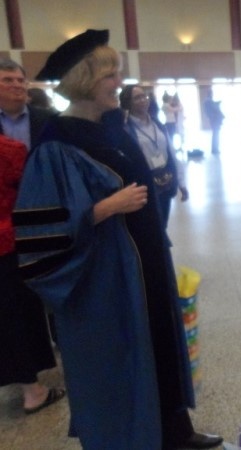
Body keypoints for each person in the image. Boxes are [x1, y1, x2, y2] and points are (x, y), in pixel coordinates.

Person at [13, 29, 221, 449]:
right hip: (104, 279)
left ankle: (175, 432)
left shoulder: (113, 128)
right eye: (111, 75)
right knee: (120, 361)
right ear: (86, 80)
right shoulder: (58, 142)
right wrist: (104, 208)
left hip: (146, 263)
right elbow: (39, 233)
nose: (119, 83)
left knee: (160, 345)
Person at [0, 58, 64, 415]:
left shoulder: (47, 120)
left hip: (46, 219)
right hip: (6, 232)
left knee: (55, 289)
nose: (17, 85)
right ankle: (27, 370)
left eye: (20, 80)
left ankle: (65, 345)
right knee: (15, 304)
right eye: (7, 80)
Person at [120, 84, 188, 229]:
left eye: (144, 96)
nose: (143, 100)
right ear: (128, 103)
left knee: (162, 225)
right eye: (137, 98)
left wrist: (181, 182)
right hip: (144, 186)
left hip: (164, 183)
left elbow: (171, 152)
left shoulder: (157, 124)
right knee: (151, 228)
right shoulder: (125, 130)